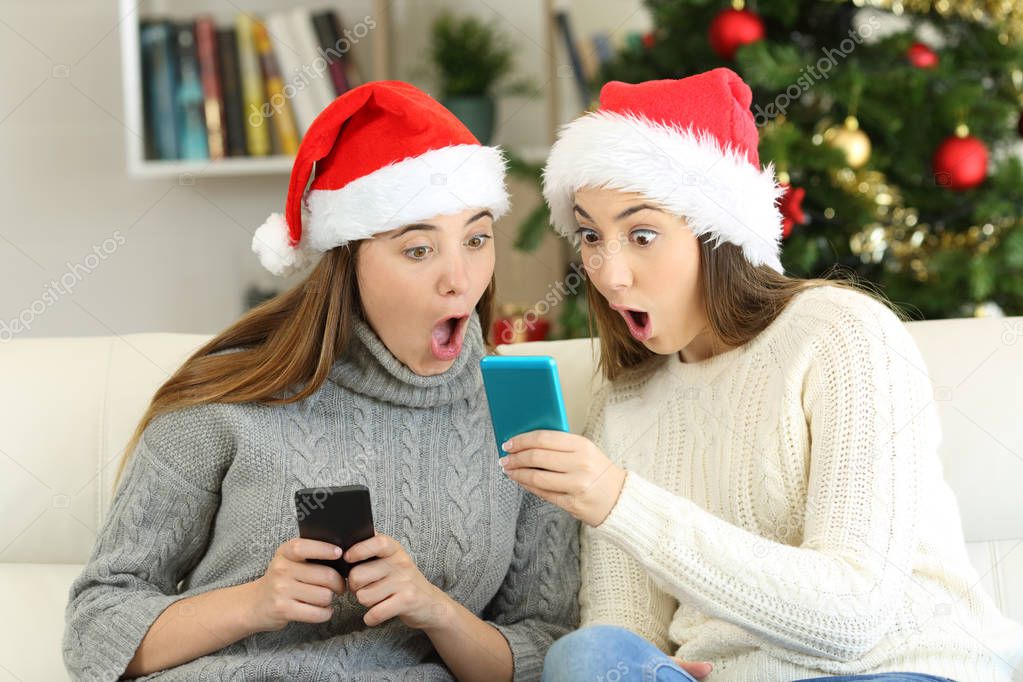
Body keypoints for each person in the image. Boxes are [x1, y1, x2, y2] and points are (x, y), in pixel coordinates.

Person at [499, 68, 1023, 681]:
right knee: (584, 656)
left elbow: (853, 615)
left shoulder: (842, 335)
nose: (609, 274)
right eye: (591, 235)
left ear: (718, 230)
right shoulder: (626, 404)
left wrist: (620, 500)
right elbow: (625, 629)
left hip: (895, 667)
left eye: (642, 234)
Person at [62, 81, 579, 682]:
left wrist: (436, 612)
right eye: (418, 250)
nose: (460, 280)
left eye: (476, 239)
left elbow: (546, 648)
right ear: (347, 260)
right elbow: (95, 629)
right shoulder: (227, 403)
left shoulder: (519, 418)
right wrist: (253, 604)